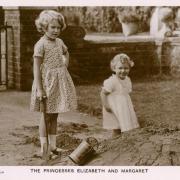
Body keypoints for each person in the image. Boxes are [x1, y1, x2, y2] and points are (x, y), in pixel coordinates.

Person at [30, 10, 77, 157]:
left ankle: (53, 147)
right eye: (53, 27)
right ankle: (44, 149)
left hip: (58, 83)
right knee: (46, 116)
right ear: (44, 27)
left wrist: (64, 66)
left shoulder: (59, 42)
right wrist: (39, 89)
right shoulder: (40, 45)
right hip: (46, 83)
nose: (56, 30)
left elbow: (66, 53)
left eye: (58, 27)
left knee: (54, 115)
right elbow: (36, 68)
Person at [100, 53, 139, 138]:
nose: (123, 71)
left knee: (125, 125)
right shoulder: (112, 81)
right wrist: (106, 106)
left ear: (129, 68)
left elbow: (126, 94)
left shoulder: (127, 80)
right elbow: (103, 93)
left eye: (126, 68)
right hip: (114, 107)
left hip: (124, 106)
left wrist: (131, 105)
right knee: (117, 127)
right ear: (114, 68)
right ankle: (115, 143)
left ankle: (124, 142)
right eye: (120, 68)